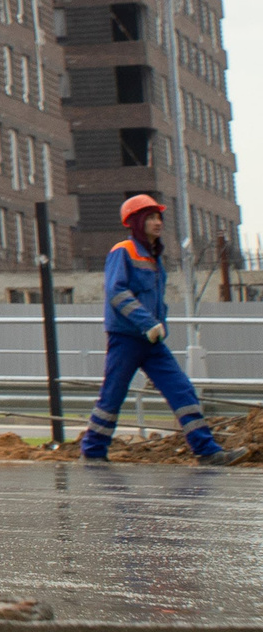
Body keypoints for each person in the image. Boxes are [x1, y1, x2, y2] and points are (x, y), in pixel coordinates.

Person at [82, 194, 249, 466]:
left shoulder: (154, 256)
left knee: (182, 390)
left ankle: (207, 451)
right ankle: (92, 451)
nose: (157, 222)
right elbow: (116, 292)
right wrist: (147, 323)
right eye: (150, 217)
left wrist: (158, 327)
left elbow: (156, 300)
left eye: (158, 217)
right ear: (137, 222)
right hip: (126, 338)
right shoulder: (123, 250)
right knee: (113, 395)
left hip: (151, 341)